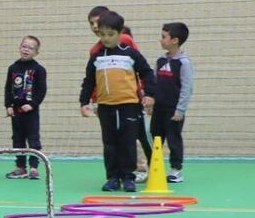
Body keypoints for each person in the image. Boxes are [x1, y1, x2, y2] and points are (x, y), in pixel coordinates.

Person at [79, 11, 156, 193]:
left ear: (120, 33)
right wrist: (84, 102)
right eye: (102, 34)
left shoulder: (130, 54)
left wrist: (150, 94)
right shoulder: (96, 57)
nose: (106, 38)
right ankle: (113, 177)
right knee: (110, 143)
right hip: (106, 107)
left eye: (110, 34)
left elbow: (147, 72)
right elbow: (89, 81)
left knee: (128, 141)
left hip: (129, 105)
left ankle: (128, 177)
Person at [152, 22, 193, 183]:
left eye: (164, 37)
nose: (160, 40)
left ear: (175, 40)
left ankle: (176, 170)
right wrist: (151, 101)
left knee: (173, 139)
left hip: (173, 110)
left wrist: (180, 109)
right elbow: (154, 82)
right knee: (156, 138)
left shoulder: (183, 63)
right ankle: (153, 167)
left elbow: (187, 87)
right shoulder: (160, 60)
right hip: (158, 108)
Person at [4, 36, 48, 179]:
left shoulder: (39, 69)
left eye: (30, 48)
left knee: (33, 139)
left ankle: (34, 167)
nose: (26, 50)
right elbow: (7, 88)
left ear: (36, 52)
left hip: (31, 112)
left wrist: (32, 104)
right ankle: (21, 166)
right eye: (24, 46)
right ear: (19, 48)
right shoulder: (13, 68)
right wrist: (8, 105)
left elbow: (42, 90)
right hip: (16, 112)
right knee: (17, 139)